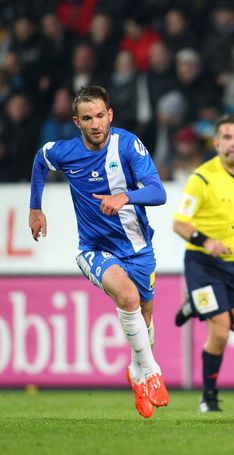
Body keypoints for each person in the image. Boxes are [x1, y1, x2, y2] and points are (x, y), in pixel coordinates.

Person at [28, 85, 169, 419]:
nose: (95, 124)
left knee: (145, 316)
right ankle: (151, 372)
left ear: (111, 115)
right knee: (128, 297)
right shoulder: (65, 151)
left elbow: (158, 191)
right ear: (76, 122)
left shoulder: (128, 145)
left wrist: (125, 197)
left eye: (100, 116)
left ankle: (136, 370)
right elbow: (40, 160)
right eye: (87, 118)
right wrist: (35, 208)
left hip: (138, 247)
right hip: (94, 249)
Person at [172, 115, 234, 412]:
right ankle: (208, 396)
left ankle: (196, 304)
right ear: (216, 142)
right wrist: (206, 241)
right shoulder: (202, 178)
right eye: (227, 137)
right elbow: (179, 224)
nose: (233, 143)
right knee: (220, 331)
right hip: (204, 264)